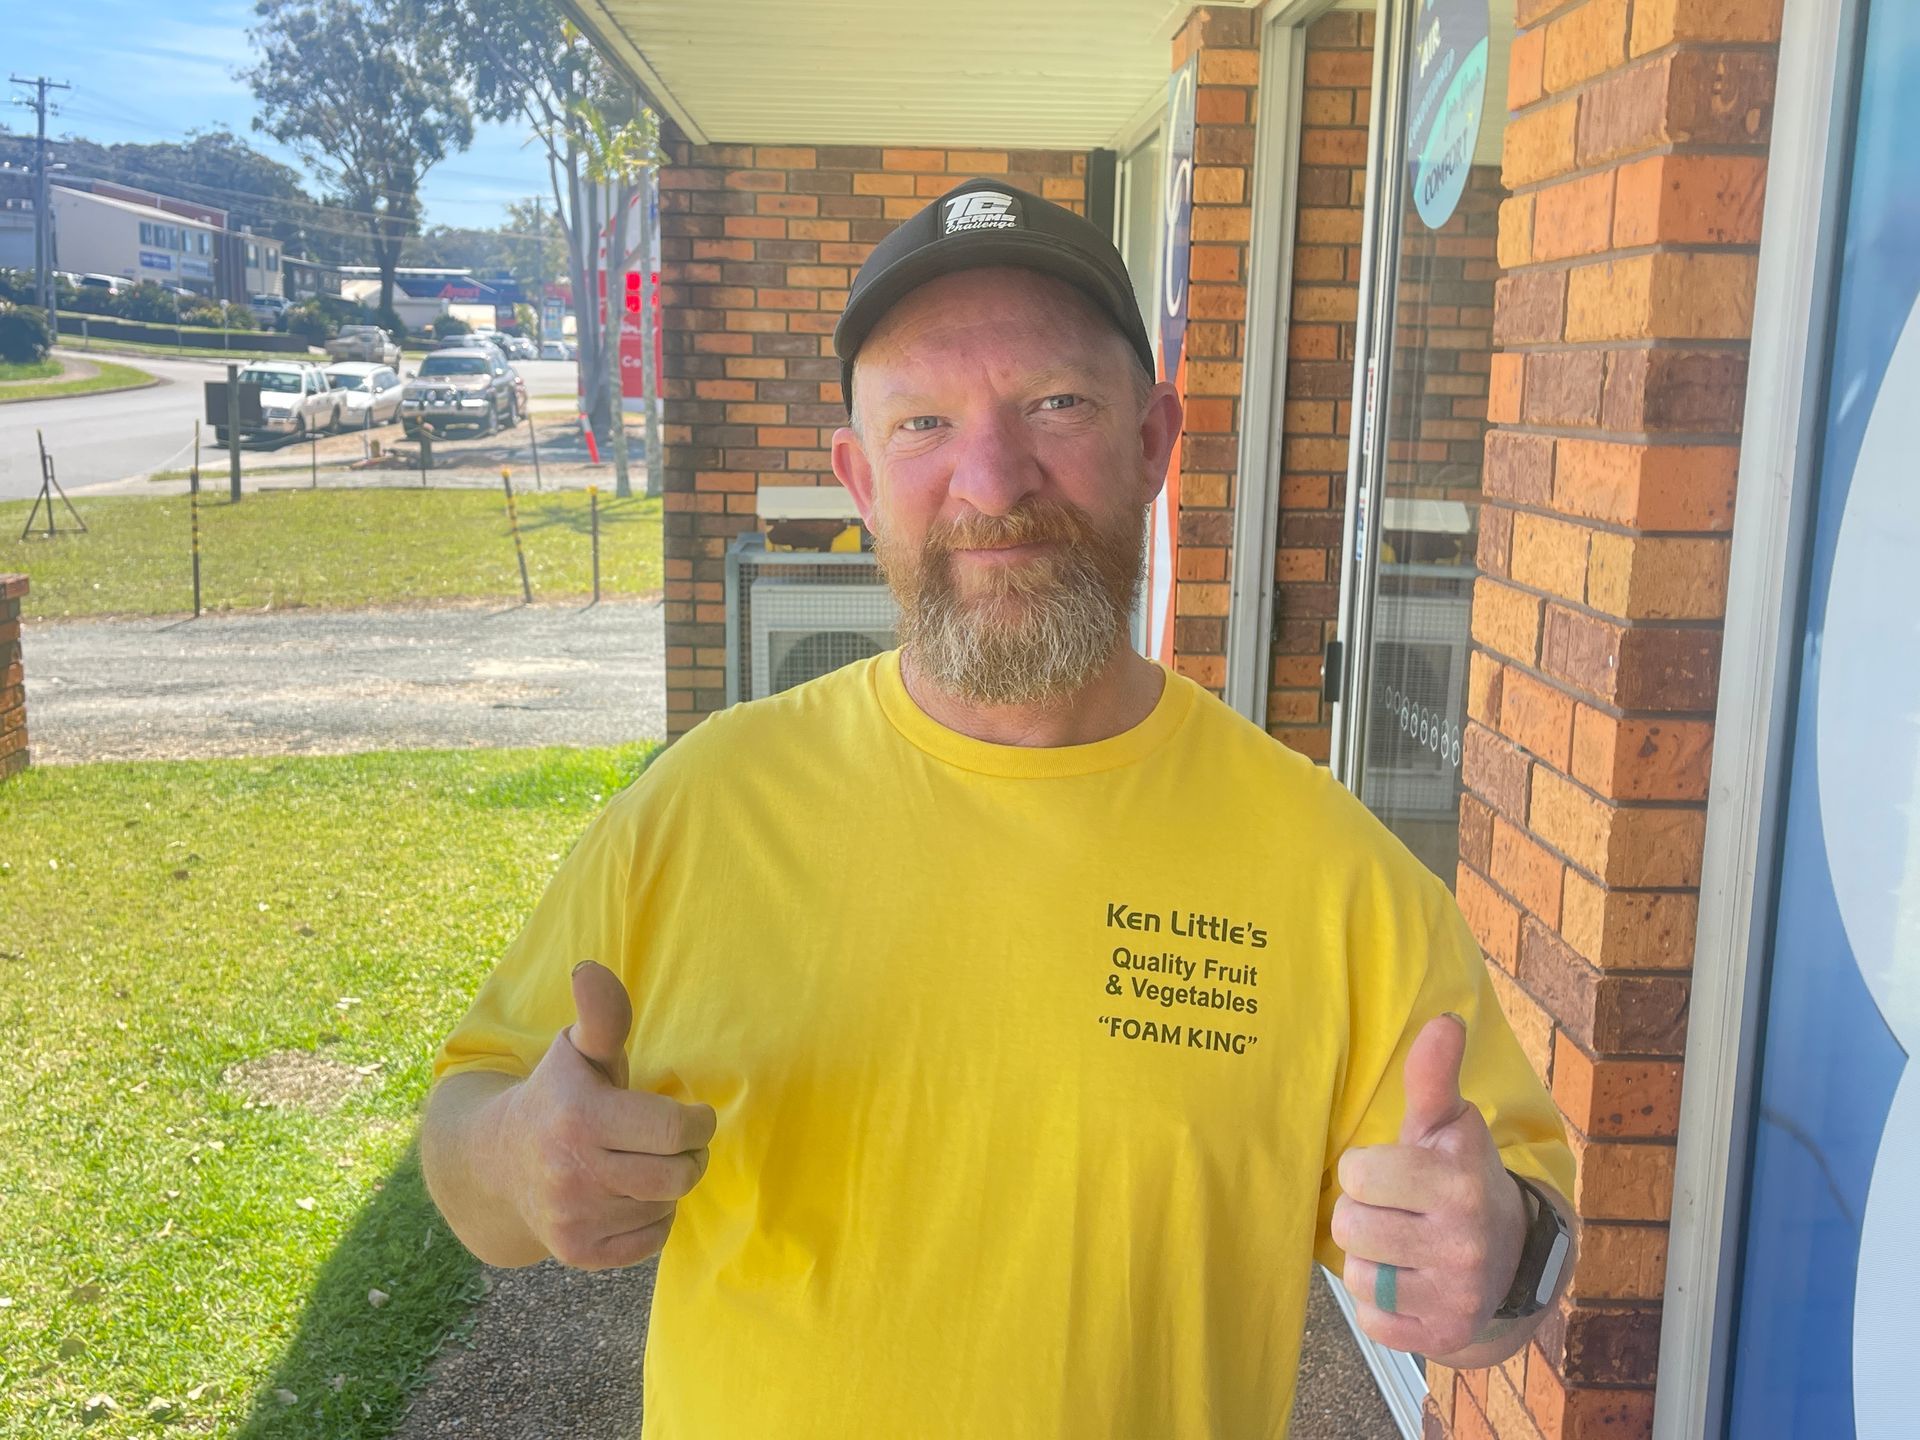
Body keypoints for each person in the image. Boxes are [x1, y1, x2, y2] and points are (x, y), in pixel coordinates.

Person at [420, 178, 1577, 1436]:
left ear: (1153, 444)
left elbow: (1503, 1277)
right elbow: (466, 1148)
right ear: (859, 479)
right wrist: (519, 1162)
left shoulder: (1327, 869)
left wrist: (1496, 1257)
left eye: (1055, 404)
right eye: (923, 422)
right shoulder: (700, 809)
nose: (991, 479)